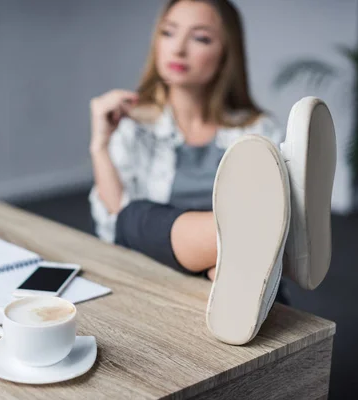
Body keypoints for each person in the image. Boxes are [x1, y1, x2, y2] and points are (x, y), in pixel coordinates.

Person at [89, 0, 336, 345]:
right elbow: (115, 226)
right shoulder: (132, 128)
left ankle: (240, 258)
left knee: (239, 255)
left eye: (200, 38)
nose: (178, 48)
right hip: (165, 264)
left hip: (236, 281)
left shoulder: (257, 130)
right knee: (132, 218)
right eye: (168, 33)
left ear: (226, 53)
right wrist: (99, 145)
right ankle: (288, 242)